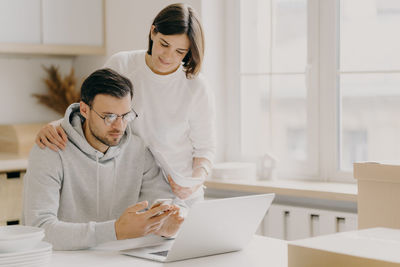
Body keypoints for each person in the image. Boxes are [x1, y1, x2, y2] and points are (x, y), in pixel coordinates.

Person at [34, 3, 216, 201]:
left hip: (179, 194)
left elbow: (205, 148)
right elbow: (92, 110)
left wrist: (194, 183)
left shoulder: (196, 87)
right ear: (153, 32)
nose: (168, 56)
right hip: (127, 189)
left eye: (180, 52)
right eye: (164, 44)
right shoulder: (122, 65)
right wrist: (56, 126)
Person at [23, 68, 186, 251]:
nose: (119, 126)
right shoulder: (51, 149)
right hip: (64, 260)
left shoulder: (138, 150)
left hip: (119, 259)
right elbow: (40, 229)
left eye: (125, 116)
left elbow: (164, 204)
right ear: (84, 109)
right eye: (109, 117)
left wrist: (166, 226)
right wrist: (114, 231)